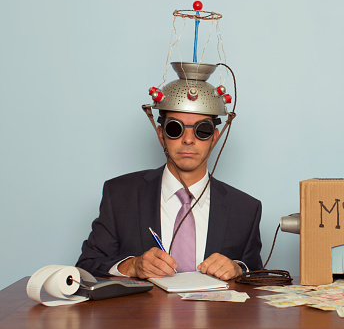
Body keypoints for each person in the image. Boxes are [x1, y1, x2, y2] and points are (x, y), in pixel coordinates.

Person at [76, 62, 262, 281]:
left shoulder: (245, 210)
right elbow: (85, 267)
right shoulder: (119, 195)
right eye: (175, 128)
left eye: (202, 130)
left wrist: (239, 269)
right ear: (160, 134)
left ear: (215, 137)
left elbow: (258, 280)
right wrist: (132, 266)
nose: (188, 139)